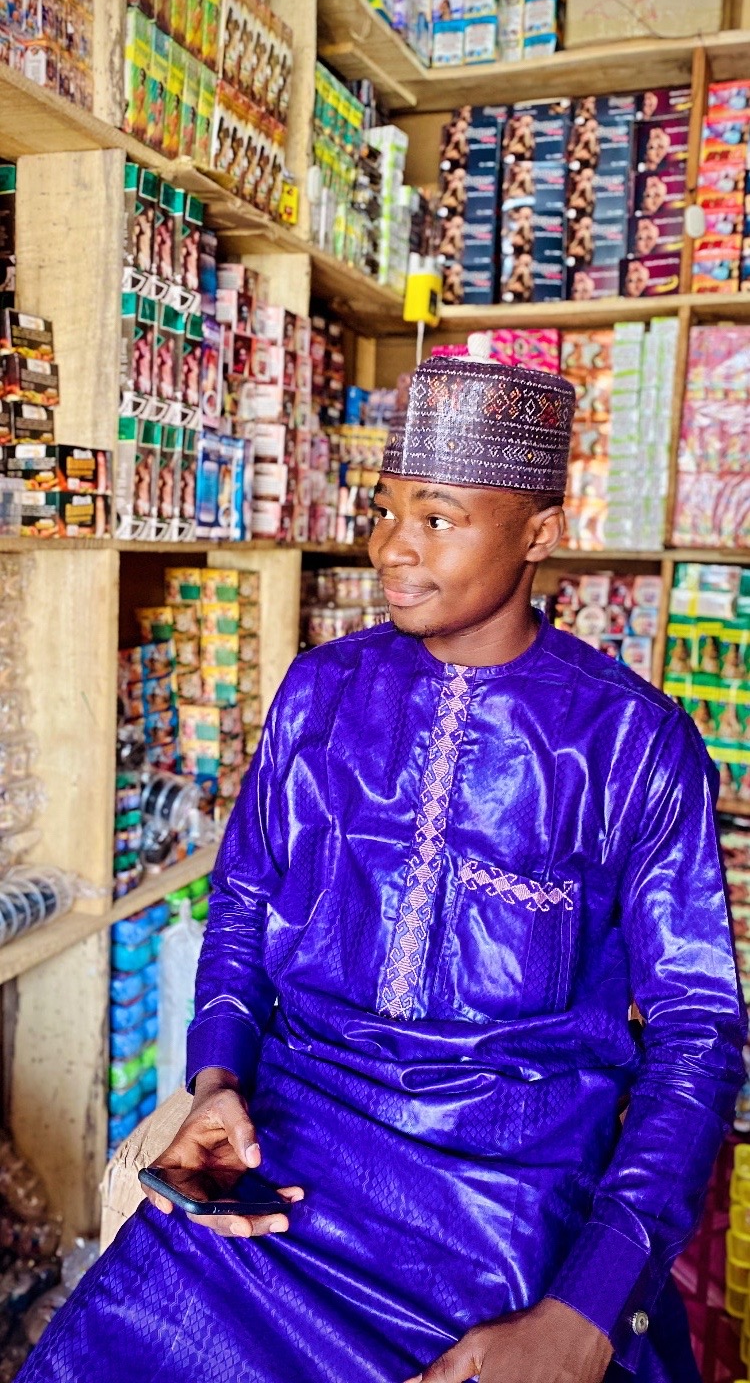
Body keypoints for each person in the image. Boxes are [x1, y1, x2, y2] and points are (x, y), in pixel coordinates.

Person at [20, 338, 745, 1383]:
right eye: (385, 509)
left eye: (437, 518)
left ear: (541, 533)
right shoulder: (320, 691)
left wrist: (586, 1309)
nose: (391, 548)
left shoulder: (632, 742)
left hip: (509, 1206)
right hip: (286, 1168)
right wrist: (217, 1077)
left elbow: (697, 1035)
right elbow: (244, 900)